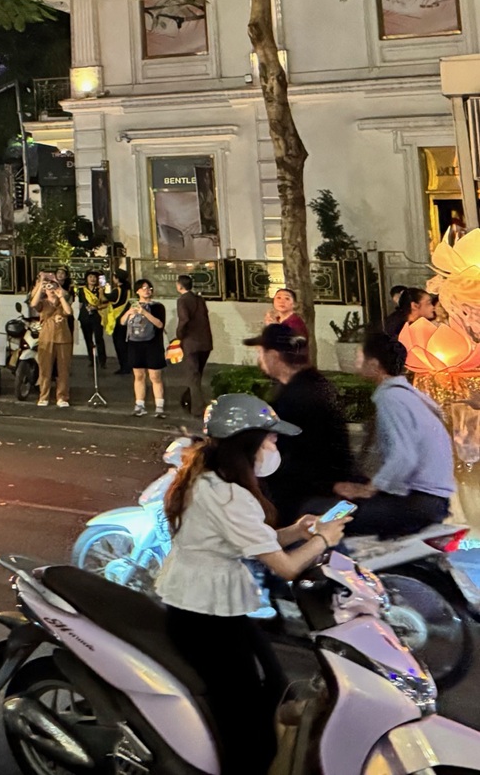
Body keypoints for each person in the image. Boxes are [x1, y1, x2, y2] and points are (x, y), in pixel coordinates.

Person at [157, 394, 347, 772]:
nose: (276, 446)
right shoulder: (227, 495)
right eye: (271, 439)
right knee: (242, 709)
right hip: (202, 613)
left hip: (212, 602)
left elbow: (255, 541)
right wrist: (323, 539)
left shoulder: (211, 475)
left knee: (273, 682)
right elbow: (286, 568)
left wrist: (298, 529)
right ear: (249, 442)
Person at [334, 331, 456, 537]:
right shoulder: (407, 395)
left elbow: (403, 457)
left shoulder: (391, 398)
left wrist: (370, 489)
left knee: (331, 518)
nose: (356, 361)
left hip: (418, 501)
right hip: (428, 499)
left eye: (359, 356)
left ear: (374, 364)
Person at [248, 322, 354, 521]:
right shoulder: (314, 383)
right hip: (322, 486)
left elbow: (291, 455)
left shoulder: (294, 397)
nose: (259, 359)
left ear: (273, 356)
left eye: (261, 352)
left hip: (304, 498)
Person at [119, 278, 167, 417]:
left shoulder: (157, 306)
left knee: (155, 376)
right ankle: (139, 405)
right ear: (138, 291)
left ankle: (159, 406)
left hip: (153, 344)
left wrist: (144, 313)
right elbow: (122, 322)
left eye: (149, 288)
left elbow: (159, 324)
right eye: (143, 288)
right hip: (135, 344)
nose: (147, 290)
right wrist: (129, 312)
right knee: (139, 375)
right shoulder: (131, 305)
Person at [29, 271, 73, 408]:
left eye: (53, 287)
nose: (51, 290)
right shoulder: (43, 303)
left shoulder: (62, 301)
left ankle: (62, 397)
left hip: (63, 338)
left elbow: (69, 312)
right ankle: (44, 396)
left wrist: (61, 297)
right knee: (45, 369)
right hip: (46, 338)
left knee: (63, 369)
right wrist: (41, 284)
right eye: (49, 288)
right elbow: (33, 304)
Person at [170, 273, 212, 416]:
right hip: (205, 341)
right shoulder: (199, 299)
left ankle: (198, 408)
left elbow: (184, 319)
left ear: (179, 286)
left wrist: (179, 335)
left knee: (193, 376)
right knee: (197, 373)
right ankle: (188, 399)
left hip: (191, 342)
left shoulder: (182, 300)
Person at [76, 272, 110, 375]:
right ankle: (92, 359)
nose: (92, 279)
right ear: (86, 278)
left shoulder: (100, 289)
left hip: (97, 316)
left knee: (99, 338)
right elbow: (80, 304)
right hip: (85, 317)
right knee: (88, 339)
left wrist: (100, 294)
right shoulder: (82, 290)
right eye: (90, 277)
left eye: (94, 277)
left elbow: (105, 303)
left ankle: (102, 361)